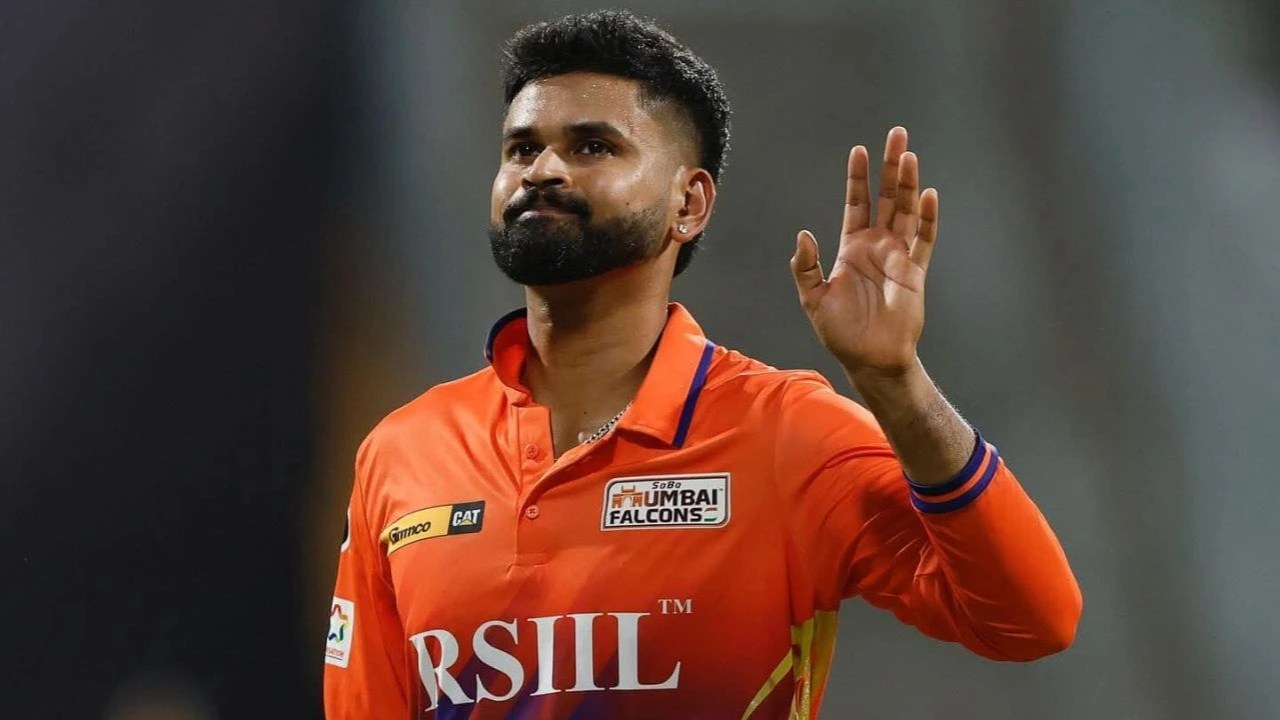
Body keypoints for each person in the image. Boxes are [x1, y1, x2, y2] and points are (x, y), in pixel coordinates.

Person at [324, 9, 1081, 719]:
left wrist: (895, 382)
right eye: (522, 148)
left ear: (689, 204)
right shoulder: (403, 451)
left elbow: (1032, 620)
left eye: (592, 146)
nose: (542, 169)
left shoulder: (789, 436)